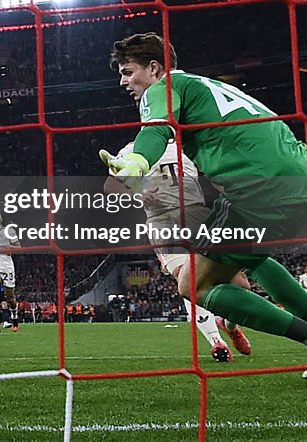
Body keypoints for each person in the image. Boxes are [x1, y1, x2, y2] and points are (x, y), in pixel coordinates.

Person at [101, 33, 307, 387]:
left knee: (194, 285)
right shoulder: (205, 86)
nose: (123, 81)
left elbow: (155, 129)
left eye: (128, 72)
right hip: (303, 176)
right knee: (256, 260)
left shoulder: (163, 88)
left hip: (260, 187)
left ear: (154, 67)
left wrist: (135, 161)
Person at [104, 139, 252, 361]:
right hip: (162, 220)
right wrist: (137, 196)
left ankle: (229, 325)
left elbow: (216, 173)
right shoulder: (132, 149)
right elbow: (110, 186)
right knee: (187, 277)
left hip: (197, 216)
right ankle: (216, 342)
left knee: (241, 285)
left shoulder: (190, 144)